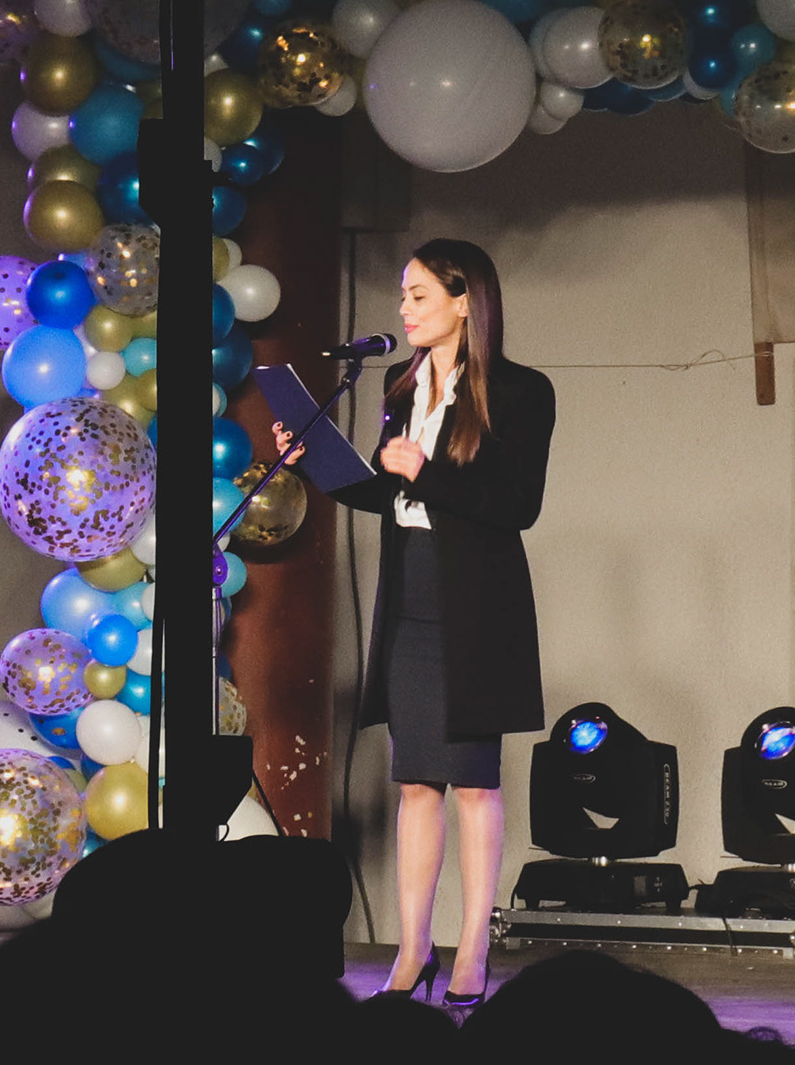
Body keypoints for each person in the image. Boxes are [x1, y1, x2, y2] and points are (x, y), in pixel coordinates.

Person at [275, 238, 555, 1010]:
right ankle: (411, 953)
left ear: (466, 302)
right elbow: (386, 494)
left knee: (473, 785)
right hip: (411, 597)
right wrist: (314, 462)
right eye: (403, 294)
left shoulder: (521, 390)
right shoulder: (402, 385)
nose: (403, 308)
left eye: (418, 294)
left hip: (476, 604)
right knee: (416, 782)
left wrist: (426, 472)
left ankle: (473, 950)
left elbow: (517, 505)